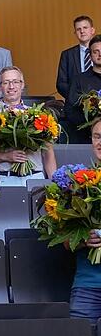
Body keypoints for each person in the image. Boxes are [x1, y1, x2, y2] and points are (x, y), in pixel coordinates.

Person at [0, 66, 57, 186]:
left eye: (15, 82)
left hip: (34, 177)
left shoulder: (38, 115)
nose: (11, 86)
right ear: (0, 87)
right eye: (6, 82)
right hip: (4, 179)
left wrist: (54, 183)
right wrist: (5, 156)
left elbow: (48, 153)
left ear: (22, 85)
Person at [69, 118, 101, 321]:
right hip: (88, 285)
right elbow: (65, 242)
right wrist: (83, 240)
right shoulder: (76, 184)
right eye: (97, 137)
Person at [65, 34, 101, 144]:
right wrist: (91, 122)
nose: (100, 54)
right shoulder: (78, 79)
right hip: (86, 138)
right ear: (90, 56)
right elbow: (70, 110)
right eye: (96, 52)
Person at [57, 16, 96, 99]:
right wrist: (78, 99)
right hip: (75, 106)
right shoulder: (67, 55)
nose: (82, 31)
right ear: (75, 33)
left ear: (92, 30)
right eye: (78, 29)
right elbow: (61, 84)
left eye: (85, 27)